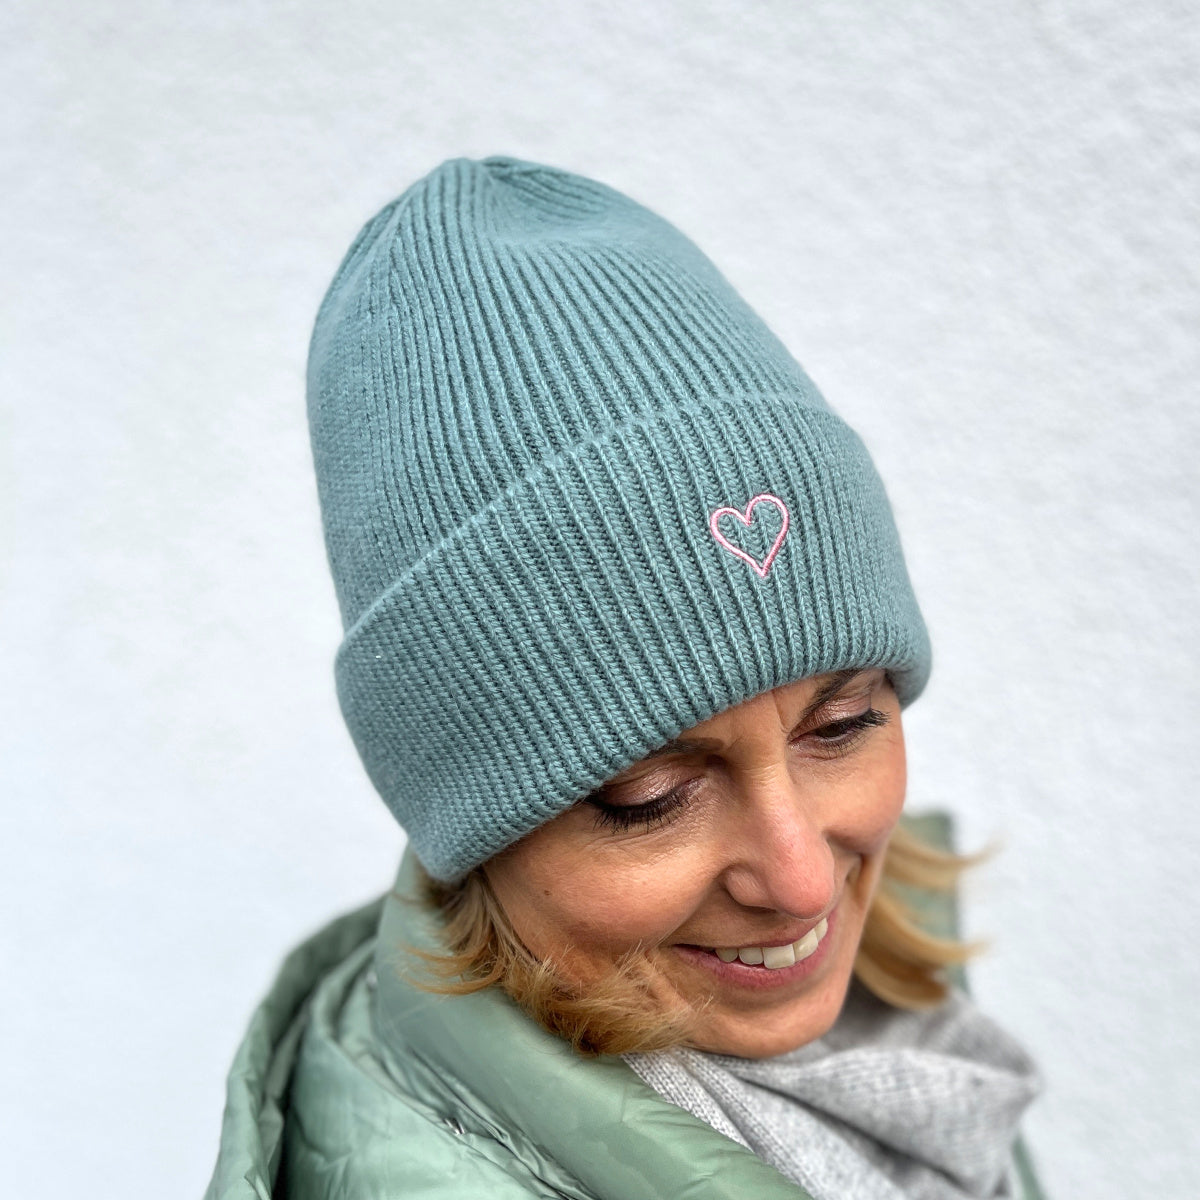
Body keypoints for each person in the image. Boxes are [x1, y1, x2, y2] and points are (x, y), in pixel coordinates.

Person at [205, 155, 1047, 1199]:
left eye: (839, 725)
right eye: (648, 795)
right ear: (474, 829)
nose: (799, 883)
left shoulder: (909, 1045)